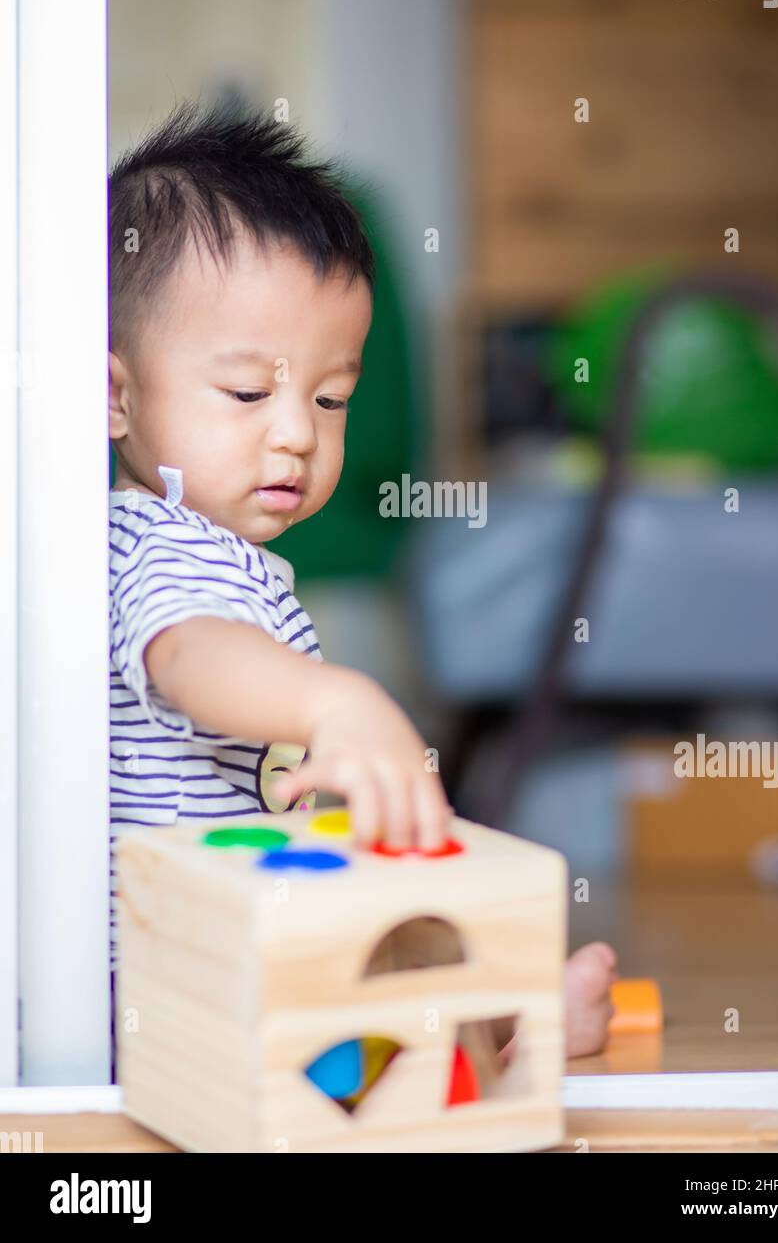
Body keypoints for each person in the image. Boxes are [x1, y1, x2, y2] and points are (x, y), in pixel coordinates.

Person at [108, 102, 617, 1080]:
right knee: (371, 1005)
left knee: (395, 910)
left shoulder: (205, 545)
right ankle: (512, 1040)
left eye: (328, 397)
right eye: (250, 393)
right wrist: (330, 698)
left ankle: (502, 1026)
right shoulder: (159, 544)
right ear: (118, 396)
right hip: (183, 983)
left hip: (226, 941)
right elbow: (191, 650)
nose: (296, 432)